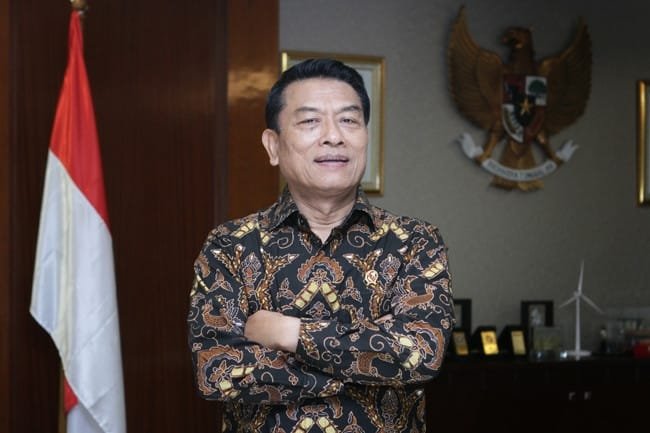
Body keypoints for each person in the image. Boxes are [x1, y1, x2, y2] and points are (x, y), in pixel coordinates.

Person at [187, 58, 454, 433]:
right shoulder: (229, 246)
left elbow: (422, 355)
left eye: (349, 120)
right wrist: (368, 359)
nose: (333, 136)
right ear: (273, 145)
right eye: (310, 121)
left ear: (365, 136)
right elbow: (215, 372)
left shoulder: (415, 242)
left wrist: (287, 333)